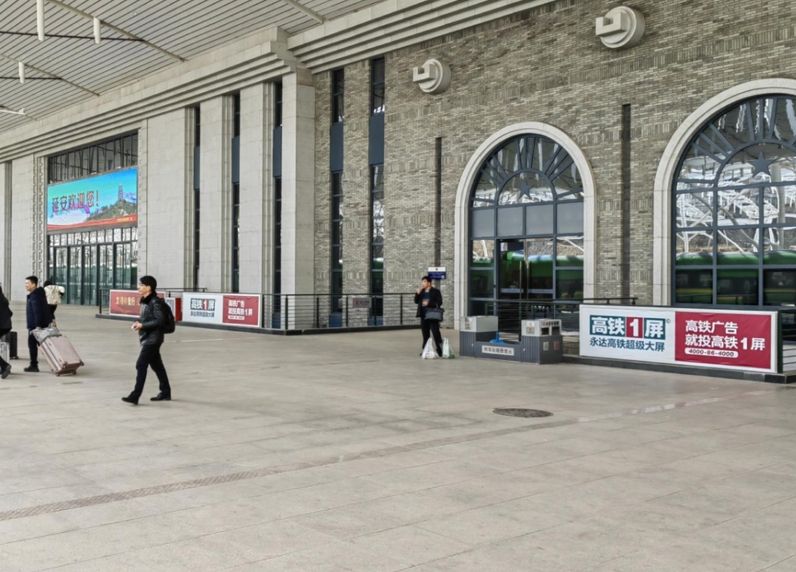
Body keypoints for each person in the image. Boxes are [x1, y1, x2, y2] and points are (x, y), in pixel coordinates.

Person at [122, 275, 171, 405]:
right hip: (149, 337)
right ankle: (165, 392)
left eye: (141, 285)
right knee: (157, 366)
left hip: (153, 339)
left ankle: (135, 395)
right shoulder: (145, 301)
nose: (139, 287)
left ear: (149, 287)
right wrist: (138, 323)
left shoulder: (155, 302)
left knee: (141, 364)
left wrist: (142, 325)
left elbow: (160, 321)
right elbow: (147, 318)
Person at [25, 275, 52, 373]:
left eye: (27, 283)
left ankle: (34, 365)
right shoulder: (39, 294)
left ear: (33, 284)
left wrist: (37, 326)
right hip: (40, 324)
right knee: (45, 346)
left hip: (35, 326)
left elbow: (37, 312)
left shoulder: (34, 296)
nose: (25, 285)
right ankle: (57, 362)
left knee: (32, 344)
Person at [415, 275, 443, 357]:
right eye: (422, 282)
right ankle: (425, 350)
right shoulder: (421, 291)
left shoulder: (436, 291)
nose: (422, 283)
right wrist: (417, 294)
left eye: (424, 282)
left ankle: (440, 350)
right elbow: (416, 301)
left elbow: (440, 302)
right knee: (425, 335)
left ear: (429, 283)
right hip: (423, 316)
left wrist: (429, 303)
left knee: (436, 333)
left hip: (432, 315)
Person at [0, 285, 13, 379]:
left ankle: (4, 366)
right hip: (6, 326)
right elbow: (10, 313)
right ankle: (3, 366)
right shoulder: (3, 299)